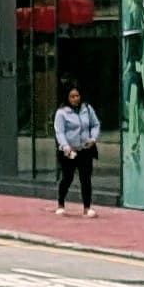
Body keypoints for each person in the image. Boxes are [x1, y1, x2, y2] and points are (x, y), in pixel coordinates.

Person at [54, 80, 102, 215]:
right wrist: (65, 147)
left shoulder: (87, 108)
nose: (75, 99)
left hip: (85, 150)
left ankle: (87, 207)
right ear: (67, 98)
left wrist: (93, 138)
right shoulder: (62, 113)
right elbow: (60, 132)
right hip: (69, 151)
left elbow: (95, 124)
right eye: (72, 97)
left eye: (77, 96)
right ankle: (61, 203)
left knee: (86, 179)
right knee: (67, 178)